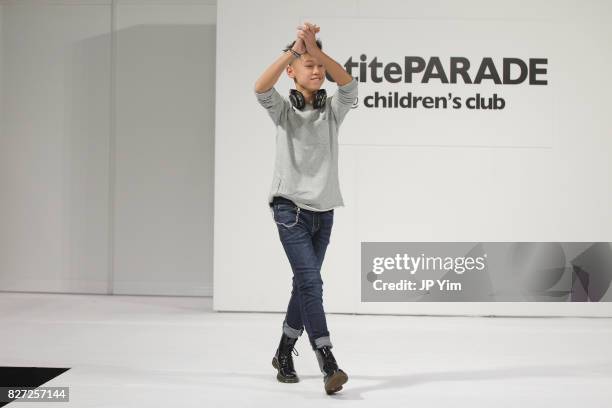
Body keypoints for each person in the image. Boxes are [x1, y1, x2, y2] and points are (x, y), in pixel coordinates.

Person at [253, 22, 358, 395]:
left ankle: (283, 351)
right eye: (306, 65)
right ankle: (326, 357)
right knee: (313, 282)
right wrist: (296, 50)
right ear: (292, 71)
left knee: (304, 284)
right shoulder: (283, 111)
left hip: (324, 211)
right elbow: (260, 87)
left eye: (319, 66)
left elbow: (348, 85)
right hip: (290, 209)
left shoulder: (333, 111)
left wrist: (314, 47)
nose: (315, 71)